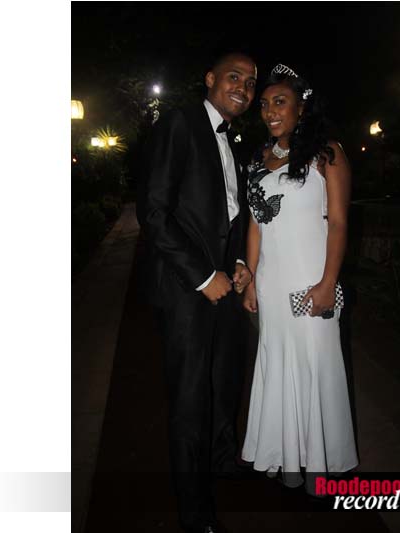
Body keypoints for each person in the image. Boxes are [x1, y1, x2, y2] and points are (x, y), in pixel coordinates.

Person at [136, 52, 256, 533]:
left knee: (224, 379)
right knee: (189, 399)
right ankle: (195, 512)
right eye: (234, 77)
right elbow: (155, 212)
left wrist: (239, 262)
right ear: (210, 79)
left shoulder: (234, 138)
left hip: (225, 281)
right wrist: (205, 276)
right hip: (187, 287)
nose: (243, 88)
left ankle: (223, 460)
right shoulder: (179, 124)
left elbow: (231, 209)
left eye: (250, 82)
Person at [240, 64, 359, 490]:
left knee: (315, 364)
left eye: (280, 102)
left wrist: (328, 283)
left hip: (311, 280)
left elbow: (339, 223)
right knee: (277, 362)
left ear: (302, 107)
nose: (270, 111)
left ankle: (320, 464)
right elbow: (256, 223)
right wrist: (251, 275)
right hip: (272, 283)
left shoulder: (327, 153)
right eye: (265, 104)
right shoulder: (260, 157)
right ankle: (284, 457)